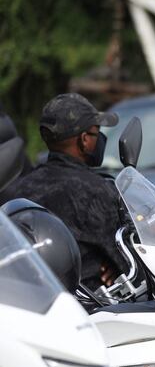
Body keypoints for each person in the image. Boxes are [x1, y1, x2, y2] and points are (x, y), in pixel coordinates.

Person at [0, 93, 124, 290]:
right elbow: (125, 260)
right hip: (93, 306)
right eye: (96, 132)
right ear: (84, 140)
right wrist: (115, 268)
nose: (100, 139)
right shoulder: (96, 191)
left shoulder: (19, 188)